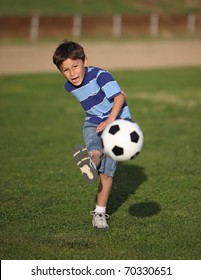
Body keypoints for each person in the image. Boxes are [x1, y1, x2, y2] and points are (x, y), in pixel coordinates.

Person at [53, 40, 132, 229]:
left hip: (118, 123)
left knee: (107, 173)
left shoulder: (101, 75)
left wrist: (110, 119)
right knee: (94, 148)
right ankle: (92, 161)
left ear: (85, 61)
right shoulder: (69, 87)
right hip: (93, 122)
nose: (72, 74)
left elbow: (119, 97)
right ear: (60, 71)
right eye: (66, 70)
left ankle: (99, 214)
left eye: (75, 66)